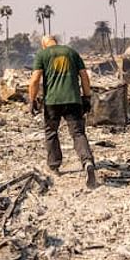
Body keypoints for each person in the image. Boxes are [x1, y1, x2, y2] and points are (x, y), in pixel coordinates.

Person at [28, 35, 96, 188]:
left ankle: (54, 165)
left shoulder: (42, 54)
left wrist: (32, 100)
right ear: (55, 42)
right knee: (78, 133)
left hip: (52, 102)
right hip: (73, 99)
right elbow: (84, 76)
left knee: (51, 132)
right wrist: (87, 97)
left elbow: (34, 80)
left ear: (44, 45)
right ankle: (87, 161)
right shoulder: (71, 52)